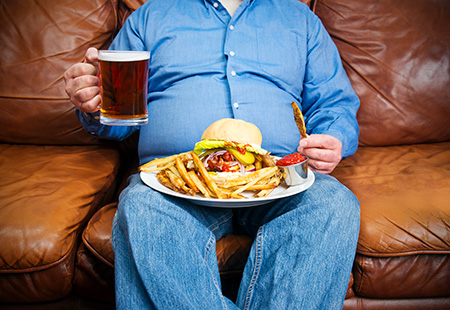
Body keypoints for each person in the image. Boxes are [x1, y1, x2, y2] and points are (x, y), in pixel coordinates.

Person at [64, 0, 360, 309]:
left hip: (278, 176)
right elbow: (119, 117)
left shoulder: (301, 19)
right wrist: (95, 105)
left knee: (333, 203)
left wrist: (333, 137)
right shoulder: (150, 16)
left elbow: (334, 103)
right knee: (142, 208)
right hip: (176, 180)